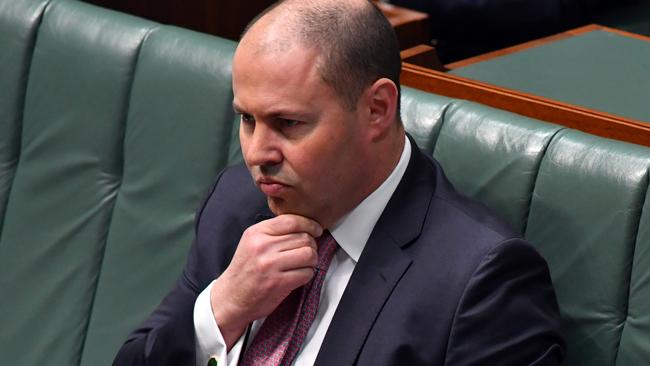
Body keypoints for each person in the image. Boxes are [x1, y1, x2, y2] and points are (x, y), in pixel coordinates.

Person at [114, 0, 565, 365]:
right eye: (247, 120)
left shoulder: (480, 281)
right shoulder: (235, 205)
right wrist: (220, 311)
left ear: (377, 109)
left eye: (288, 123)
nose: (256, 153)